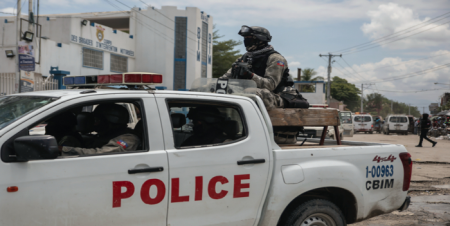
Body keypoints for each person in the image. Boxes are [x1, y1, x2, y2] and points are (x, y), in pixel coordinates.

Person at [220, 25, 298, 110]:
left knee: (250, 92)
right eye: (245, 38)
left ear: (260, 40)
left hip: (277, 96)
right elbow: (225, 78)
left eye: (249, 38)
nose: (246, 40)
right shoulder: (244, 58)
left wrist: (250, 75)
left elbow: (270, 85)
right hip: (254, 94)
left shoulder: (275, 58)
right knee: (220, 88)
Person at [60, 103, 140, 156]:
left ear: (112, 121)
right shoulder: (105, 135)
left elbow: (101, 153)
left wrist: (64, 150)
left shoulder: (128, 139)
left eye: (97, 120)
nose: (94, 124)